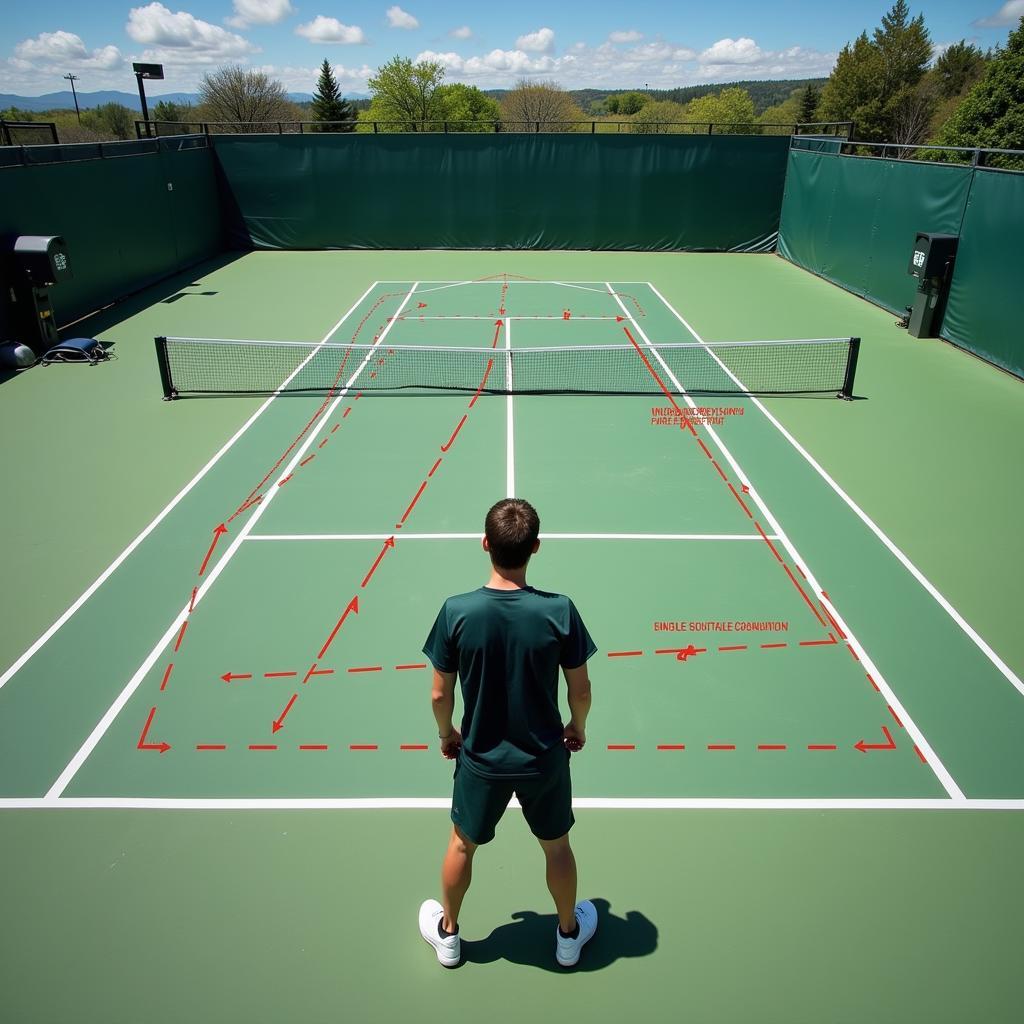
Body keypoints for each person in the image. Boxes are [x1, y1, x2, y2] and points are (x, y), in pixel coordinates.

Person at [418, 497, 598, 968]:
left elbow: (440, 695)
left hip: (481, 760)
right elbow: (580, 690)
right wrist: (576, 729)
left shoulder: (457, 611)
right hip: (544, 758)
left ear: (485, 544)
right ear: (535, 547)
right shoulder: (560, 611)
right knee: (557, 846)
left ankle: (450, 936)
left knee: (461, 844)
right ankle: (567, 936)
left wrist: (447, 736)